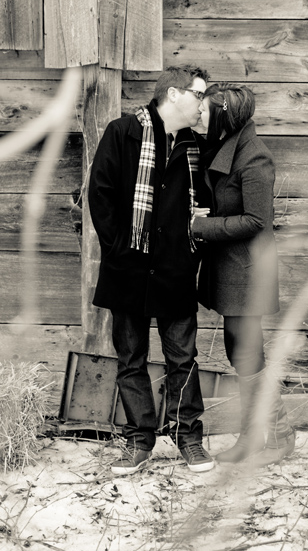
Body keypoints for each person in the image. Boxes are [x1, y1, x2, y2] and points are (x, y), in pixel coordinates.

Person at [88, 64, 215, 475]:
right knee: (131, 358)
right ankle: (138, 440)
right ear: (174, 94)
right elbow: (100, 193)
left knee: (184, 358)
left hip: (176, 270)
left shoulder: (195, 146)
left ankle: (188, 437)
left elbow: (205, 204)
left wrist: (191, 250)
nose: (203, 104)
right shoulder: (123, 132)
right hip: (128, 269)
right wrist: (119, 249)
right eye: (199, 95)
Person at [191, 84, 294, 464]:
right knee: (240, 352)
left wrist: (200, 226)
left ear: (223, 115)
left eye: (204, 112)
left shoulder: (255, 158)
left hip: (248, 271)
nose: (199, 117)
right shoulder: (224, 147)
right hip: (230, 265)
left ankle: (280, 437)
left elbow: (256, 220)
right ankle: (252, 437)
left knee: (248, 352)